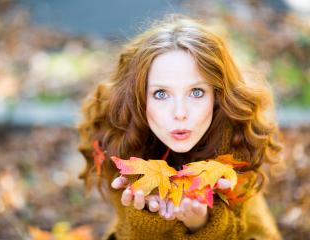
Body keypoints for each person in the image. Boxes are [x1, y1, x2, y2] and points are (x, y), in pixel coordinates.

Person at [77, 15, 283, 240]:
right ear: (138, 98)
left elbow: (240, 233)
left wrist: (201, 223)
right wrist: (147, 219)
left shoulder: (238, 135)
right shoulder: (119, 136)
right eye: (161, 94)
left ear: (217, 96)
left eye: (196, 92)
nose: (179, 113)